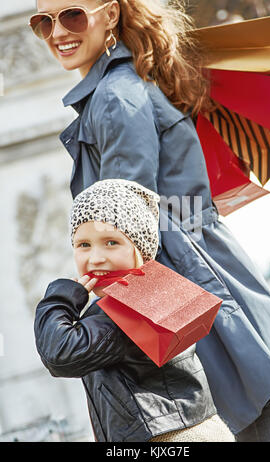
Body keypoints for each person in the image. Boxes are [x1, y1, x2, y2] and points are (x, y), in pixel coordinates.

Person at [30, 0, 270, 442]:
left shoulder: (115, 97)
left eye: (72, 16)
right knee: (257, 420)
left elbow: (123, 223)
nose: (58, 33)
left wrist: (82, 325)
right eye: (43, 22)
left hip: (176, 284)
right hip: (193, 278)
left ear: (110, 13)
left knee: (255, 425)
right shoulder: (125, 86)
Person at [34, 178, 235, 442]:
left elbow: (60, 354)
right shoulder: (154, 292)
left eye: (111, 243)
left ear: (140, 247)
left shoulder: (128, 306)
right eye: (83, 245)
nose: (95, 258)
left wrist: (61, 298)